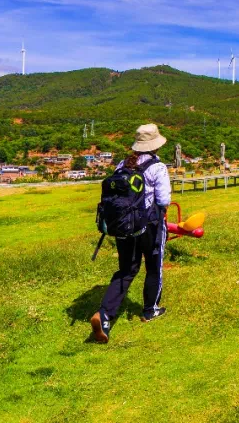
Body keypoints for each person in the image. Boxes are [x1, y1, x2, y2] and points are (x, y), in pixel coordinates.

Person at [90, 123, 172, 343]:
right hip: (151, 226)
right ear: (155, 146)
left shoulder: (122, 164)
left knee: (126, 270)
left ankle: (105, 315)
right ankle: (149, 310)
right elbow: (164, 200)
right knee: (153, 267)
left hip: (124, 227)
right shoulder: (158, 167)